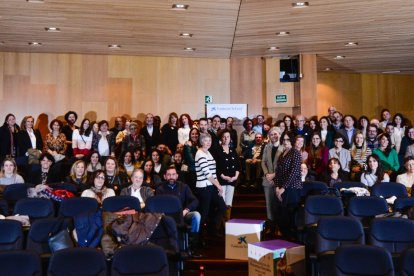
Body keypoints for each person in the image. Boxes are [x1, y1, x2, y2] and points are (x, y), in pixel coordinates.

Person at [195, 133, 226, 238]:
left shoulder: (208, 153)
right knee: (204, 213)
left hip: (211, 186)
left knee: (222, 206)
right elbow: (207, 174)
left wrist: (218, 186)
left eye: (210, 140)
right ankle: (198, 239)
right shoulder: (200, 153)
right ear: (201, 141)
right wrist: (219, 186)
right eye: (205, 140)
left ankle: (212, 230)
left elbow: (213, 172)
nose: (208, 142)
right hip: (204, 187)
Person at [274, 131, 302, 240]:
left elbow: (294, 172)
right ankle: (286, 242)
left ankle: (292, 246)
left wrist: (283, 188)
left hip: (292, 189)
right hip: (281, 188)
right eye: (284, 140)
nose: (285, 142)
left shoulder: (295, 153)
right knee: (281, 218)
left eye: (288, 140)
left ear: (292, 140)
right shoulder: (282, 153)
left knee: (289, 220)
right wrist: (277, 186)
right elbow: (278, 172)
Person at [157, 166, 200, 235]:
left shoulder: (184, 187)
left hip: (183, 214)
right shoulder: (160, 189)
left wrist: (186, 210)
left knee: (196, 215)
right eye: (169, 175)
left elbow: (195, 201)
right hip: (167, 216)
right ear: (165, 176)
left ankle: (192, 239)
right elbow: (158, 206)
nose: (171, 177)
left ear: (177, 176)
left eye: (173, 174)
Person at [261, 127, 283, 233]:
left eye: (276, 134)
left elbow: (284, 165)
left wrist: (274, 175)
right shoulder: (267, 146)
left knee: (278, 203)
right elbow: (263, 162)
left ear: (279, 134)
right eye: (271, 134)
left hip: (280, 180)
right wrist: (267, 174)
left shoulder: (284, 147)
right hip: (268, 180)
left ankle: (279, 226)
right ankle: (271, 225)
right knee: (269, 204)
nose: (273, 136)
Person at [216, 130, 240, 221]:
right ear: (221, 138)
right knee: (221, 204)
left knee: (228, 204)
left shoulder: (233, 150)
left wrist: (236, 176)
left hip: (231, 181)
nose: (226, 138)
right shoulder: (217, 150)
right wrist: (223, 176)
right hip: (221, 181)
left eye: (228, 137)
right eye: (224, 137)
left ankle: (227, 227)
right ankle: (220, 228)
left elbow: (238, 166)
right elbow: (216, 167)